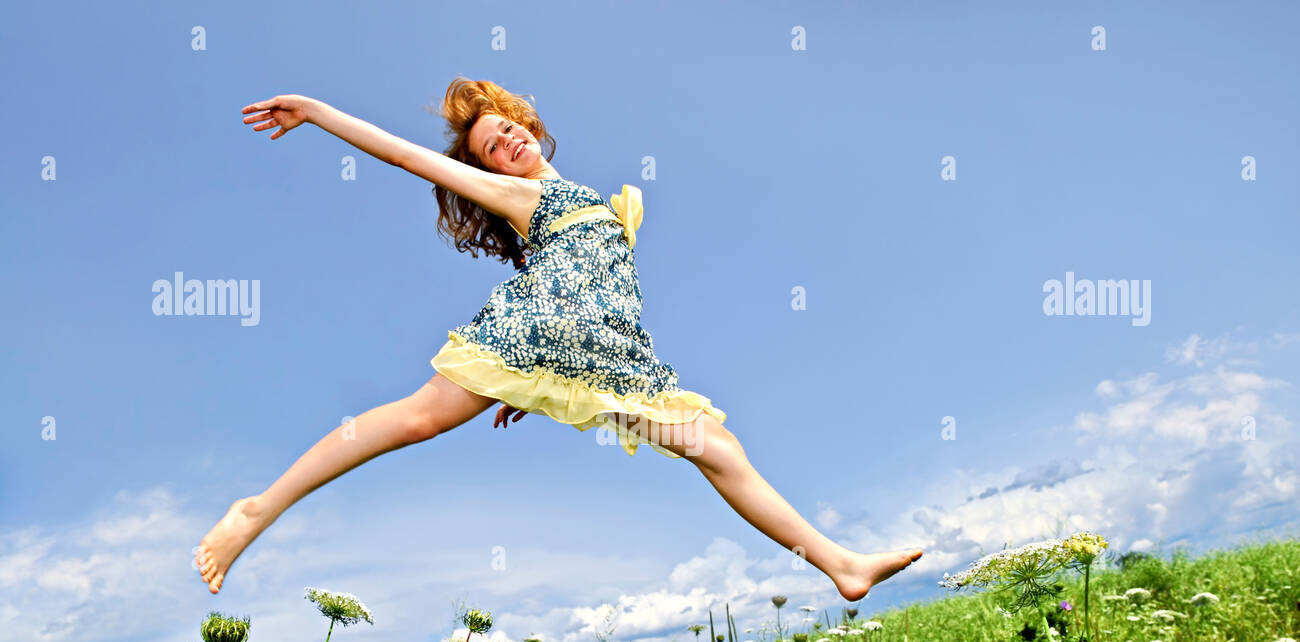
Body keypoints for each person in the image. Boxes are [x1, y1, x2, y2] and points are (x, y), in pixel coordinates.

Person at [196, 78, 922, 600]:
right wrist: (318, 112)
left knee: (717, 447)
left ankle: (839, 564)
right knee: (414, 418)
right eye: (490, 148)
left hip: (592, 355)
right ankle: (257, 509)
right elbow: (405, 157)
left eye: (508, 127)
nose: (506, 141)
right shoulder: (526, 196)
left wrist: (536, 385)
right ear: (488, 172)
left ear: (531, 125)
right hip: (537, 334)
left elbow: (587, 287)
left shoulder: (576, 196)